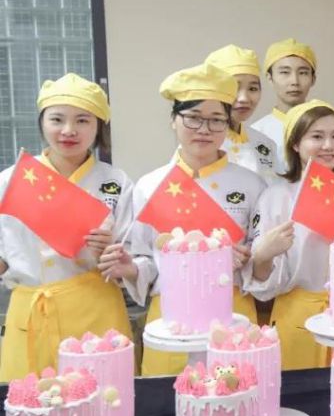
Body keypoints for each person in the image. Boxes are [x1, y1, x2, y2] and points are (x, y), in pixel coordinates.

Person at [99, 63, 265, 375]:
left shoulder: (252, 185)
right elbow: (146, 259)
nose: (204, 129)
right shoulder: (150, 186)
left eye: (216, 120)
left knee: (236, 395)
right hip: (170, 321)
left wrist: (246, 258)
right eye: (193, 117)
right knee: (168, 400)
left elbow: (263, 262)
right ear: (173, 120)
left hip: (232, 316)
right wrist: (130, 268)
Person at [0, 74, 133, 381]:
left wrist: (110, 253)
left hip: (98, 315)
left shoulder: (116, 183)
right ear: (42, 123)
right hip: (32, 313)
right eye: (57, 119)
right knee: (32, 401)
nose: (69, 130)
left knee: (104, 399)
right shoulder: (11, 180)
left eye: (82, 120)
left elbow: (134, 258)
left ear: (99, 126)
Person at [247, 100, 334, 369]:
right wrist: (263, 255)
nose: (329, 145)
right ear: (295, 144)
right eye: (317, 137)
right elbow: (263, 283)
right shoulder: (276, 197)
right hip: (297, 319)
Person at [204, 44, 280, 180]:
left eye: (252, 89)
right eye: (234, 88)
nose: (244, 98)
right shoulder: (199, 143)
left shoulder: (265, 143)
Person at [250, 38, 317, 168]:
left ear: (313, 79)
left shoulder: (325, 128)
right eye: (285, 72)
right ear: (270, 78)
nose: (294, 81)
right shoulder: (256, 133)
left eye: (303, 73)